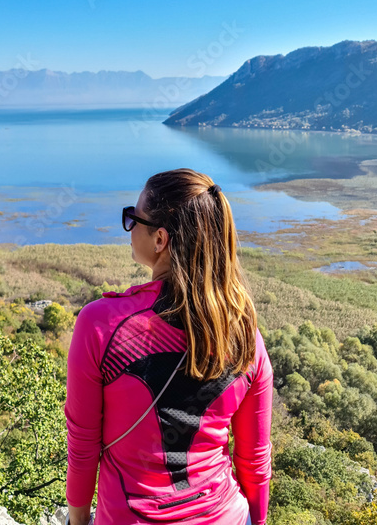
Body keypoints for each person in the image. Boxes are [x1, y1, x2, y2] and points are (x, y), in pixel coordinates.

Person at [64, 168, 273, 525]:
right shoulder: (244, 337)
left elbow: (83, 449)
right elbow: (254, 460)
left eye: (134, 219)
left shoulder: (100, 325)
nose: (129, 228)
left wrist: (77, 522)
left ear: (160, 239)